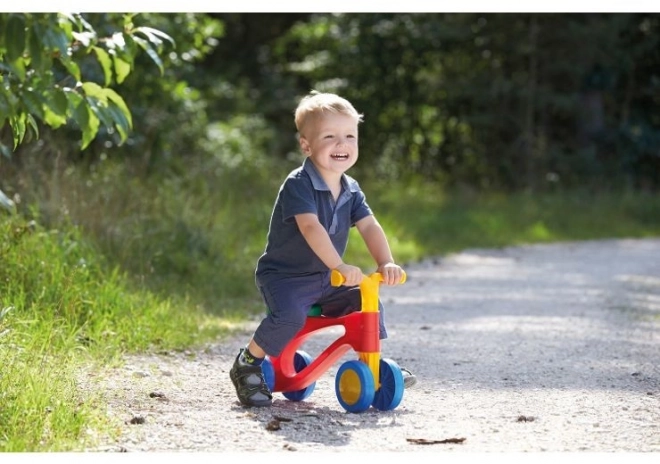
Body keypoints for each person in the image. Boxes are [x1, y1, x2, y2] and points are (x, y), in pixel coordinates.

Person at [230, 90, 417, 407]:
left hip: (326, 279)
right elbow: (311, 227)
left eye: (349, 136)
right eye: (330, 136)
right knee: (288, 316)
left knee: (365, 300)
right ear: (307, 144)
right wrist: (339, 266)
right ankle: (247, 363)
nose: (341, 144)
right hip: (286, 277)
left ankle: (372, 365)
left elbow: (369, 225)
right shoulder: (299, 183)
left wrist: (386, 261)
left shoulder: (351, 188)